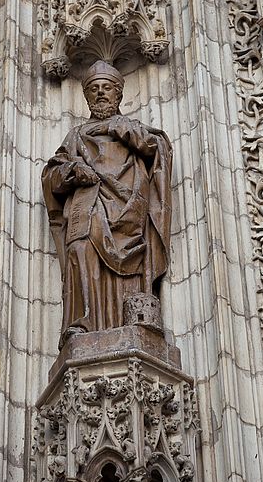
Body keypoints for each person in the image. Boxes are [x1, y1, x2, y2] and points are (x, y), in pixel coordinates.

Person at [42, 60, 172, 348]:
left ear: (118, 95)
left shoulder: (133, 128)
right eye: (95, 89)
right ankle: (82, 324)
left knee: (129, 264)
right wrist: (71, 171)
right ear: (87, 97)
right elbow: (51, 175)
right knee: (79, 250)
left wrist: (126, 131)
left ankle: (130, 326)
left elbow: (158, 148)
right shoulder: (76, 137)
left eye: (107, 88)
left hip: (127, 213)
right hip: (88, 207)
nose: (101, 94)